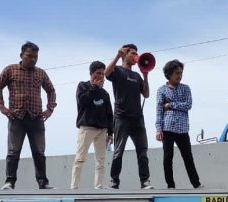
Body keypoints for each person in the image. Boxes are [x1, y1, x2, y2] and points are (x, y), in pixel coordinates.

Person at [0, 41, 56, 191]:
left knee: (39, 152)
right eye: (29, 56)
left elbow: (51, 90)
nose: (33, 59)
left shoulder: (41, 73)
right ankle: (9, 182)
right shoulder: (10, 70)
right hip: (16, 117)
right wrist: (1, 105)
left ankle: (43, 182)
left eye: (35, 56)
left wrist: (50, 108)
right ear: (21, 55)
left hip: (36, 117)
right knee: (13, 151)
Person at [105, 44, 153, 190]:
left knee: (142, 151)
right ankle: (114, 182)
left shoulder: (137, 76)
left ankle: (145, 181)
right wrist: (117, 56)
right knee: (118, 151)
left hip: (137, 118)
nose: (135, 56)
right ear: (125, 55)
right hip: (121, 118)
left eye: (136, 53)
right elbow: (107, 74)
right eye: (132, 53)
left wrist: (145, 75)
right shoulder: (117, 71)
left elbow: (146, 94)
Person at [155, 59, 201, 190]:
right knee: (168, 157)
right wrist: (158, 129)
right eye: (177, 73)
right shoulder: (161, 90)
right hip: (167, 128)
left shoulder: (186, 88)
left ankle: (196, 184)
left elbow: (188, 105)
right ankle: (170, 185)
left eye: (181, 73)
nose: (179, 76)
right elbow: (159, 110)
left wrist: (170, 105)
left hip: (182, 129)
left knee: (188, 157)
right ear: (169, 74)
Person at [71, 61, 114, 189]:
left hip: (102, 130)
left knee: (101, 160)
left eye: (102, 74)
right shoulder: (82, 86)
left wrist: (110, 132)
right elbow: (82, 101)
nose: (100, 76)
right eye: (98, 73)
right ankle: (74, 187)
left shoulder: (105, 94)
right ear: (91, 73)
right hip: (86, 127)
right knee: (80, 158)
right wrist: (94, 88)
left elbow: (109, 114)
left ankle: (99, 186)